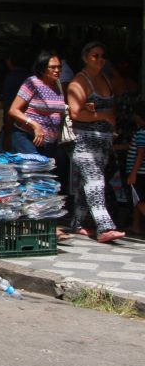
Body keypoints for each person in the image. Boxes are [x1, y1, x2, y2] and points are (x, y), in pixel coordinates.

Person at [67, 41, 124, 243]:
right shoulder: (79, 82)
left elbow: (124, 88)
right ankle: (104, 226)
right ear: (85, 57)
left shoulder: (106, 79)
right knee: (95, 181)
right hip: (84, 141)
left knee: (87, 183)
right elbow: (75, 113)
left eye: (103, 56)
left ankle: (78, 222)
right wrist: (103, 116)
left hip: (104, 141)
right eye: (95, 55)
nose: (100, 59)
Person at [7, 51, 64, 158]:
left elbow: (59, 110)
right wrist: (35, 125)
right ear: (42, 68)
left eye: (59, 67)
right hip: (28, 138)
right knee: (35, 167)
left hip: (50, 143)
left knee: (47, 168)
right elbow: (13, 110)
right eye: (52, 67)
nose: (57, 70)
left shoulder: (58, 85)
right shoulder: (32, 82)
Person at [124, 102, 145, 235]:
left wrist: (133, 173)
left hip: (139, 172)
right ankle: (135, 226)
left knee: (139, 200)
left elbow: (140, 153)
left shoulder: (142, 132)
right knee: (137, 200)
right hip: (140, 172)